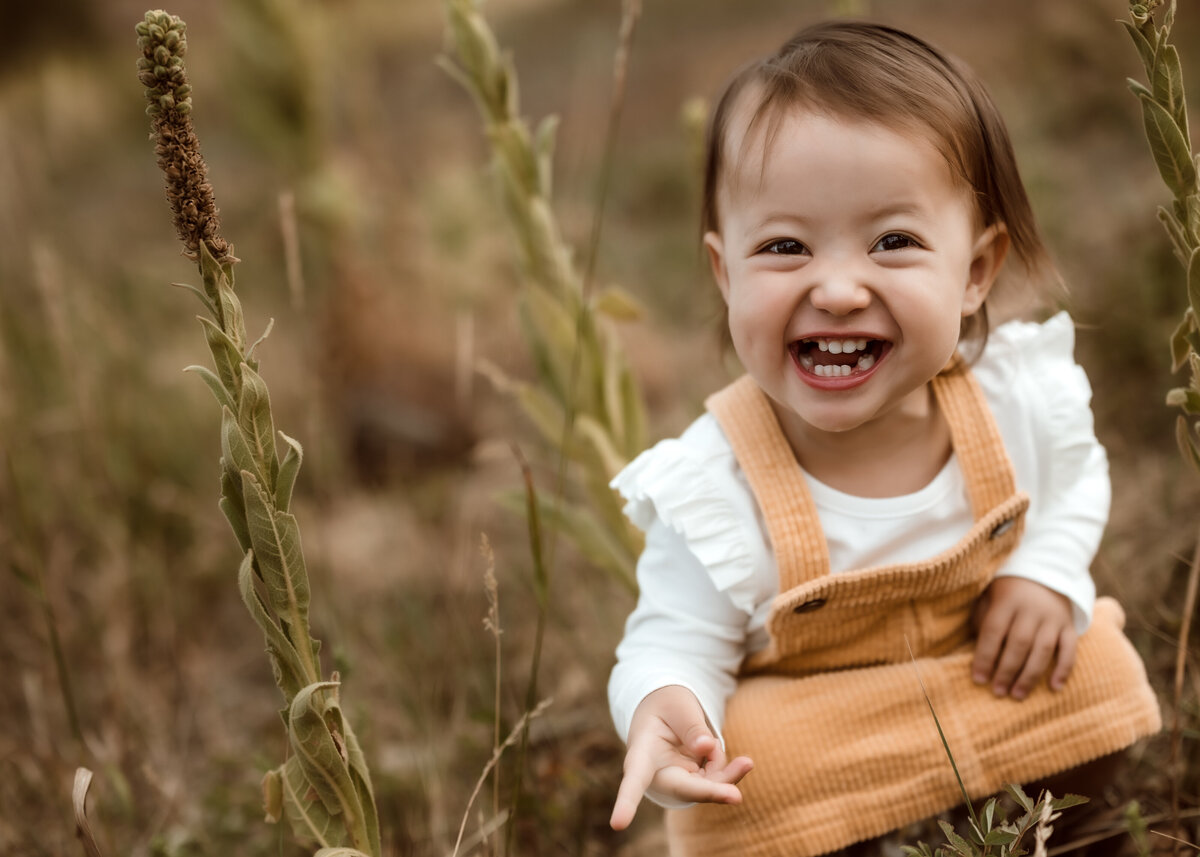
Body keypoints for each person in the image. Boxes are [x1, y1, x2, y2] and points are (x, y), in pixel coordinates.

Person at [606, 19, 1161, 857]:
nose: (835, 288)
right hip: (833, 752)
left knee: (1096, 659)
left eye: (892, 242)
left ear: (975, 271)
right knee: (746, 761)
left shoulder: (1015, 400)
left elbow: (1076, 483)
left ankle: (1066, 833)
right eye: (784, 246)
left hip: (983, 687)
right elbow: (672, 631)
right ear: (726, 273)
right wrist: (663, 702)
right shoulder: (716, 479)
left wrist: (1046, 571)